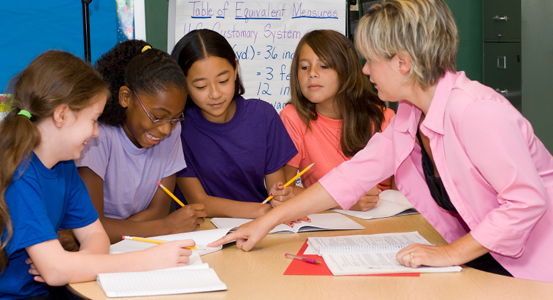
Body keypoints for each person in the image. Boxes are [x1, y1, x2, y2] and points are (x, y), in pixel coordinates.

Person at [211, 0, 553, 283]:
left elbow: (525, 203)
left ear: (402, 63)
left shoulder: (475, 111)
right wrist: (267, 221)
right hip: (483, 257)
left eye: (371, 60)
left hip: (533, 265)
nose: (364, 71)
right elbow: (353, 175)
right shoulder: (411, 111)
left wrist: (448, 253)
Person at [0, 50, 195, 299]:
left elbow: (96, 235)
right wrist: (150, 259)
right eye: (93, 120)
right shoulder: (20, 176)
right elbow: (54, 271)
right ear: (62, 115)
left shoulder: (64, 167)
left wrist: (73, 264)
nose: (96, 133)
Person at [68, 40, 206, 246]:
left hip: (129, 247)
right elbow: (91, 225)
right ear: (125, 97)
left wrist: (113, 229)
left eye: (176, 117)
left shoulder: (171, 130)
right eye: (158, 116)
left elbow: (158, 211)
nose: (166, 129)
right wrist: (167, 227)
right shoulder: (98, 135)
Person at [171, 29, 298, 218]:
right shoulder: (177, 129)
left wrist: (279, 198)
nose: (215, 94)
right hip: (204, 232)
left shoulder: (263, 116)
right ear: (183, 83)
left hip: (260, 227)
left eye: (223, 80)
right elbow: (199, 202)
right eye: (201, 87)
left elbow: (275, 190)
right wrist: (263, 211)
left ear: (235, 68)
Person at [278, 29, 395, 211]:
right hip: (331, 223)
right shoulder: (293, 117)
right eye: (304, 67)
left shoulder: (385, 118)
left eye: (323, 66)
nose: (312, 73)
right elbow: (285, 191)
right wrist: (345, 201)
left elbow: (407, 190)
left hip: (388, 218)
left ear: (346, 71)